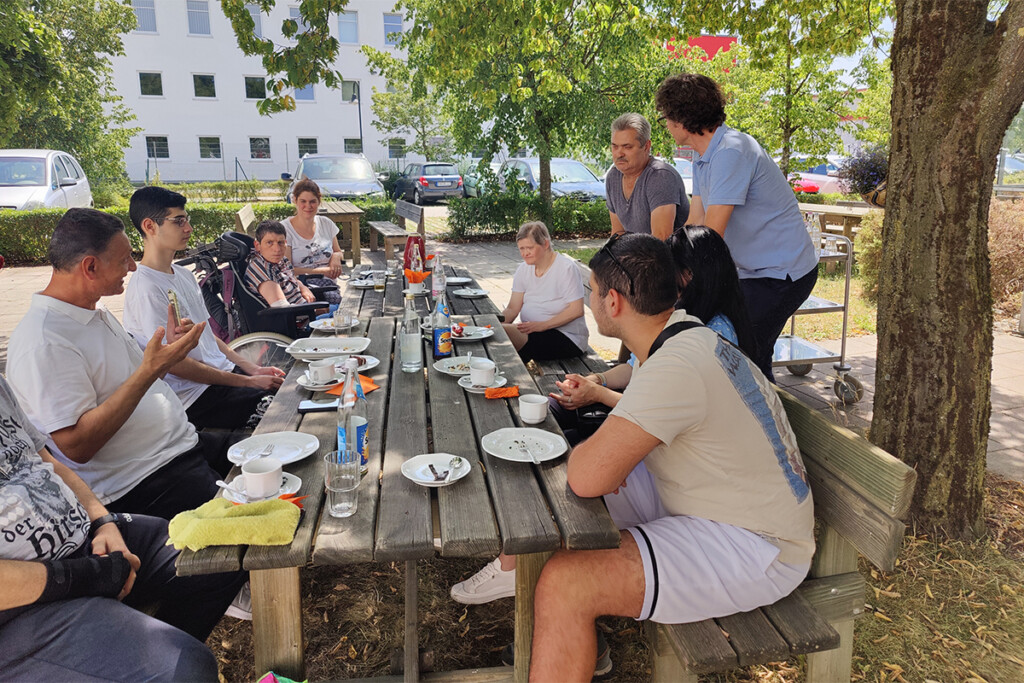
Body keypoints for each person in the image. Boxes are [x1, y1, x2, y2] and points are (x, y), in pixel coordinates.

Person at [529, 233, 814, 681]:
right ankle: (523, 588)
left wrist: (602, 460)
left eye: (591, 292)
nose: (589, 300)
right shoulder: (686, 339)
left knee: (568, 581)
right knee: (559, 511)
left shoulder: (675, 365)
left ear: (615, 302)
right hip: (716, 502)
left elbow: (587, 477)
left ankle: (546, 606)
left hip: (758, 545)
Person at [0, 374, 246, 680]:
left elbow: (49, 463)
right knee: (188, 669)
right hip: (21, 605)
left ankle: (141, 648)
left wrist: (103, 522)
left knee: (224, 554)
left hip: (86, 539)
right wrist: (88, 576)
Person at [6, 208, 235, 522]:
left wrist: (168, 352)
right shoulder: (44, 340)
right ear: (90, 266)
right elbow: (76, 445)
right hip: (145, 482)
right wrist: (150, 370)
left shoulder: (90, 309)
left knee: (283, 454)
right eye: (124, 259)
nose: (132, 266)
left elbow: (126, 376)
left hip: (181, 447)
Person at [656, 73, 819, 381]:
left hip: (782, 273)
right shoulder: (704, 155)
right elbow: (695, 223)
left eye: (666, 116)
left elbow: (711, 238)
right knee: (732, 347)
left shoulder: (730, 151)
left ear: (681, 116)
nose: (665, 123)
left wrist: (679, 285)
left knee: (745, 355)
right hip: (753, 272)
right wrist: (667, 264)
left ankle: (766, 425)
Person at [548, 225, 757, 444]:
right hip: (643, 413)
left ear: (688, 274)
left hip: (663, 432)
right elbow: (633, 367)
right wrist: (596, 380)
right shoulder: (678, 318)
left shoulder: (708, 338)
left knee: (562, 444)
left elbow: (659, 411)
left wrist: (598, 393)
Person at [123, 186, 285, 430]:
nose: (188, 228)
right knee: (281, 410)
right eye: (178, 221)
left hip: (223, 376)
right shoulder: (145, 288)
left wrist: (251, 368)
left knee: (289, 388)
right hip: (196, 397)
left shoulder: (182, 275)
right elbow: (173, 364)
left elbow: (206, 335)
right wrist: (246, 382)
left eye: (186, 219)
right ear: (149, 226)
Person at [500, 221, 588, 362]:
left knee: (501, 334)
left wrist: (541, 326)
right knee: (493, 332)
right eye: (521, 249)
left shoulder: (566, 268)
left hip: (567, 337)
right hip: (533, 332)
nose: (525, 253)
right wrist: (494, 322)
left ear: (545, 244)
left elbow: (576, 310)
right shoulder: (523, 269)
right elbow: (512, 308)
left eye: (529, 248)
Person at [605, 113, 690, 240]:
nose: (619, 153)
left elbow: (661, 239)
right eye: (614, 146)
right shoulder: (613, 176)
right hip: (638, 256)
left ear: (646, 146)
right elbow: (618, 234)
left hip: (670, 257)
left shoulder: (660, 176)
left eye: (627, 147)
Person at [281, 179, 343, 304]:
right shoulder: (285, 229)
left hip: (328, 285)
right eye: (303, 201)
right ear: (294, 200)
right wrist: (323, 270)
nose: (308, 206)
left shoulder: (326, 224)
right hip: (301, 288)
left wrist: (336, 256)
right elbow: (286, 270)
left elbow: (338, 251)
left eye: (312, 201)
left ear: (319, 202)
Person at [245, 220, 319, 308]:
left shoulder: (281, 260)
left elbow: (292, 279)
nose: (277, 249)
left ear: (285, 243)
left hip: (306, 307)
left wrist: (303, 287)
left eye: (280, 242)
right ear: (257, 245)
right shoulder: (261, 269)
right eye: (269, 243)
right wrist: (317, 310)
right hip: (299, 317)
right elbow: (282, 308)